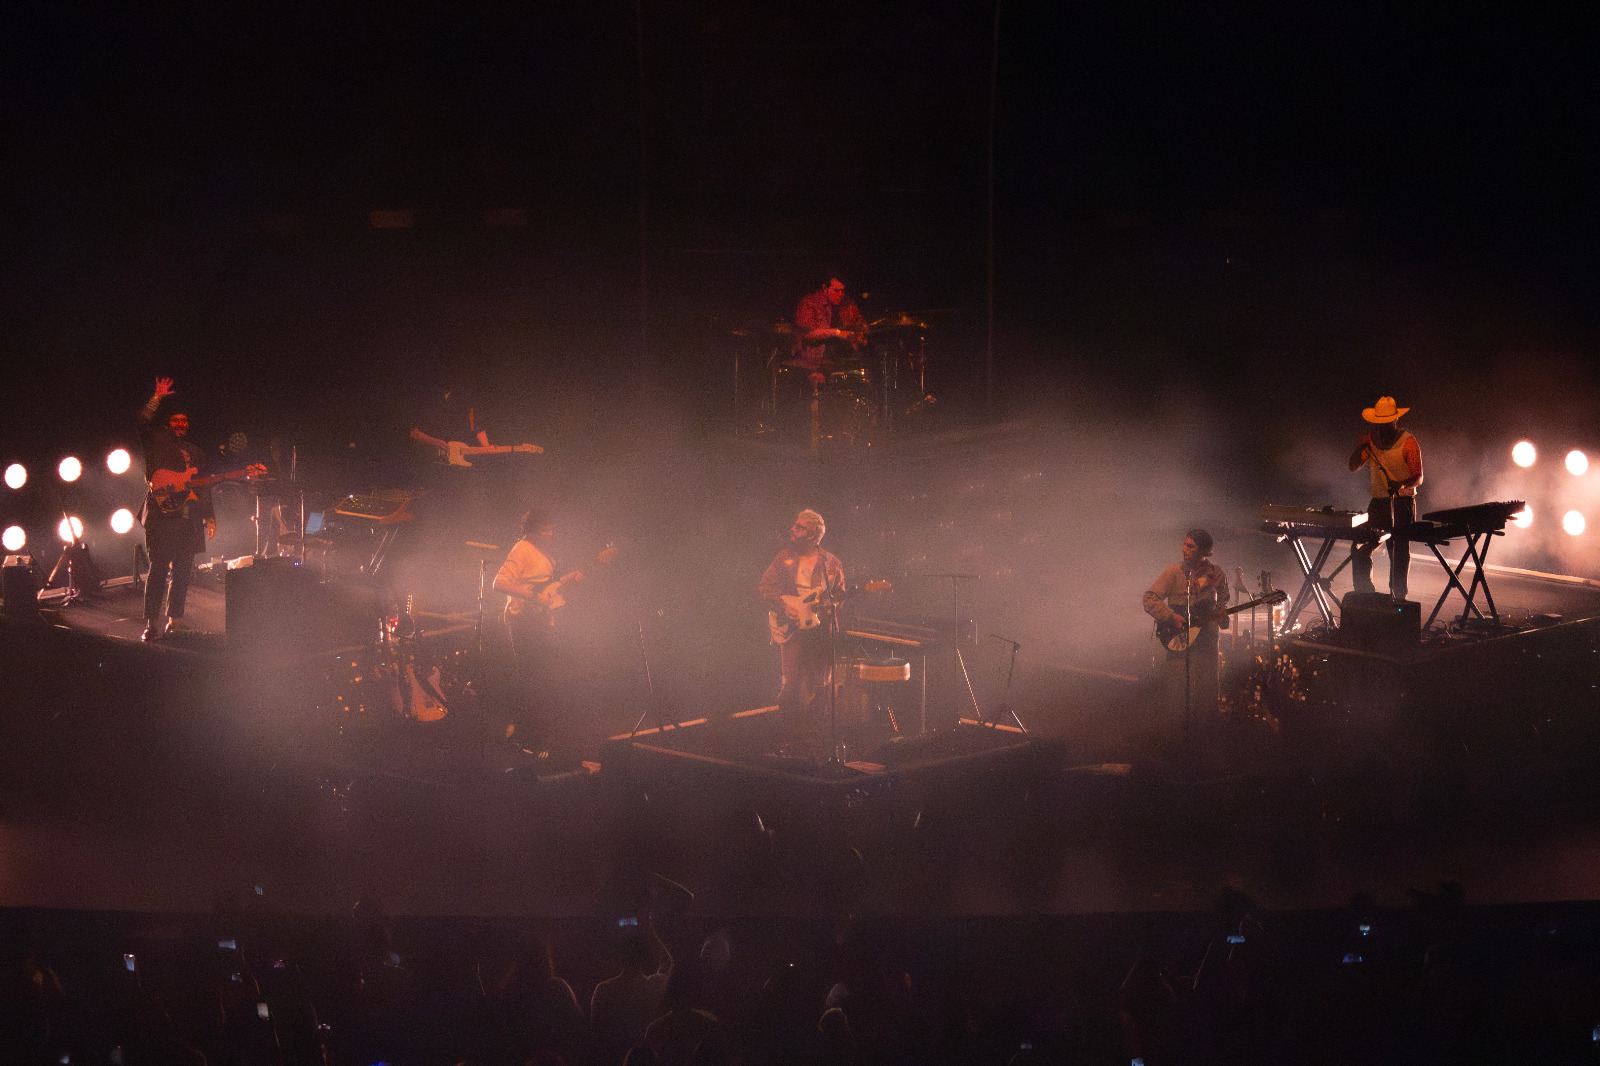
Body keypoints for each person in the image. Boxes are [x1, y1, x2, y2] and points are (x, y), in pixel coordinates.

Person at [759, 510, 847, 759]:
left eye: (799, 527)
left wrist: (831, 605)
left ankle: (815, 739)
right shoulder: (784, 558)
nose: (793, 530)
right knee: (792, 680)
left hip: (820, 629)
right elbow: (765, 587)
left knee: (820, 683)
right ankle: (788, 734)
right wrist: (784, 605)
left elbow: (839, 595)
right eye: (795, 525)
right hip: (792, 626)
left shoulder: (831, 563)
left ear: (813, 535)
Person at [138, 376, 215, 641]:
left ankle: (176, 620)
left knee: (183, 569)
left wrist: (210, 516)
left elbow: (202, 485)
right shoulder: (157, 441)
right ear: (168, 424)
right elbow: (142, 421)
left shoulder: (196, 452)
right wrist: (157, 397)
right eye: (176, 421)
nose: (181, 425)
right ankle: (150, 623)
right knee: (158, 569)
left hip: (189, 517)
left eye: (184, 421)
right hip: (162, 515)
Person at [492, 509, 572, 745]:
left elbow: (546, 584)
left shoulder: (542, 552)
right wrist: (533, 597)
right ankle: (526, 732)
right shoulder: (522, 549)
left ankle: (532, 729)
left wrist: (569, 579)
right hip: (524, 620)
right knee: (532, 677)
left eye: (551, 528)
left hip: (540, 620)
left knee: (541, 677)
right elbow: (499, 582)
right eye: (545, 529)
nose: (550, 533)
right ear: (532, 530)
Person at [1143, 529, 1231, 725]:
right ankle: (1175, 738)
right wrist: (1169, 615)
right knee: (1177, 692)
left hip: (1207, 642)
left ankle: (1204, 737)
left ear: (1204, 551)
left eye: (1191, 546)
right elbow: (1149, 598)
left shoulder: (1217, 575)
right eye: (1185, 544)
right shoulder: (1174, 573)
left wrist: (1222, 616)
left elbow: (1223, 603)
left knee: (1206, 693)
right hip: (1179, 641)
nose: (1185, 550)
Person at [1348, 396, 1424, 601]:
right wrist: (1360, 446)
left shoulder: (1408, 441)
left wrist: (1401, 485)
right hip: (1379, 502)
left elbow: (1418, 477)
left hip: (1403, 502)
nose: (1382, 428)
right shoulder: (1371, 440)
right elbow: (1353, 466)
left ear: (1395, 421)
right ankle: (1365, 593)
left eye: (1386, 424)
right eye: (1378, 424)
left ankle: (1398, 597)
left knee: (1398, 550)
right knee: (1361, 544)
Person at [792, 277, 865, 372]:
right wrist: (836, 332)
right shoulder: (810, 302)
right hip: (811, 364)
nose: (840, 294)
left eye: (842, 290)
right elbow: (808, 334)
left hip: (842, 362)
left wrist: (860, 336)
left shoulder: (847, 303)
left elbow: (858, 326)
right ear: (825, 288)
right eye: (836, 290)